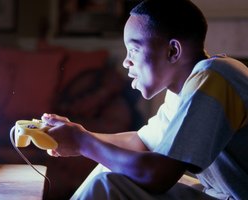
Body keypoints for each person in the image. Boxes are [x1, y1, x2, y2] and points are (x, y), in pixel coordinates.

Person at [41, 0, 248, 199]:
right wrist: (77, 134)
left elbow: (158, 176)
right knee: (111, 166)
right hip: (218, 193)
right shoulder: (188, 88)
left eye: (134, 50)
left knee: (109, 184)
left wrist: (83, 143)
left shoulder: (214, 76)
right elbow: (140, 142)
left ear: (173, 51)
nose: (125, 62)